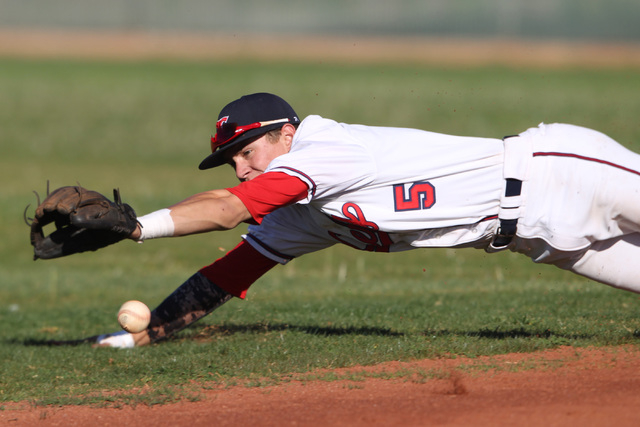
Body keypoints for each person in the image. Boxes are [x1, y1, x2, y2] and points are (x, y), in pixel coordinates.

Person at [97, 92, 640, 348]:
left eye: (247, 151)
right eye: (231, 161)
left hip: (561, 171)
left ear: (286, 133)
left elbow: (229, 209)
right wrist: (138, 338)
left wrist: (138, 227)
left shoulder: (326, 149)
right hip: (539, 239)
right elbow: (227, 275)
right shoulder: (300, 214)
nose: (242, 169)